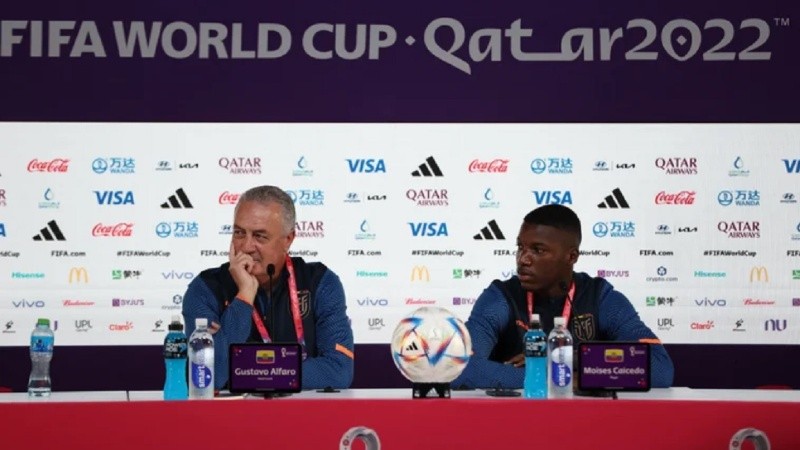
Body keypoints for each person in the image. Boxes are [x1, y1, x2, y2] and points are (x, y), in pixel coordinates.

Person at [451, 204, 674, 389]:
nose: (523, 259)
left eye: (538, 250)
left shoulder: (600, 297)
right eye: (521, 247)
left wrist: (564, 361)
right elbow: (459, 368)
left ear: (571, 256)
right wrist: (560, 379)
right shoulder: (500, 297)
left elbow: (659, 368)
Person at [182, 185, 354, 390]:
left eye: (259, 236)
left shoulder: (320, 283)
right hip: (231, 418)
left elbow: (339, 371)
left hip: (303, 415)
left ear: (288, 239)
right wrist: (244, 297)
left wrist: (247, 370)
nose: (245, 247)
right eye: (239, 233)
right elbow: (207, 377)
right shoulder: (205, 289)